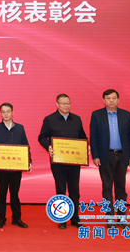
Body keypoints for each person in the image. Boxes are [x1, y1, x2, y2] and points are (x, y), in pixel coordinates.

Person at [38, 94, 88, 229]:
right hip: (58, 162)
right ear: (57, 104)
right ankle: (62, 218)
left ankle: (75, 219)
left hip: (74, 161)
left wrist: (86, 147)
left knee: (74, 190)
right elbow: (42, 137)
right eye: (63, 103)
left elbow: (82, 137)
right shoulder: (49, 119)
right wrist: (48, 147)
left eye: (68, 103)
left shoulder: (77, 119)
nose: (66, 106)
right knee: (61, 190)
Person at [90, 89, 130, 230]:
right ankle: (109, 218)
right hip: (105, 156)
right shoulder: (96, 115)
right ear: (103, 100)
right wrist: (95, 156)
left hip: (122, 156)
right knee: (107, 188)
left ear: (118, 100)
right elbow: (93, 137)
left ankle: (122, 218)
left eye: (114, 98)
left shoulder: (127, 115)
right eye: (108, 98)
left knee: (121, 188)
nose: (111, 100)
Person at [0, 102, 32, 229]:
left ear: (12, 113)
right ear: (0, 114)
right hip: (1, 169)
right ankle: (1, 218)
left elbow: (25, 146)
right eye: (3, 112)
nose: (6, 114)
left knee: (15, 194)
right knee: (2, 194)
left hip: (16, 168)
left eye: (8, 111)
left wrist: (29, 161)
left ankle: (16, 218)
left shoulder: (20, 128)